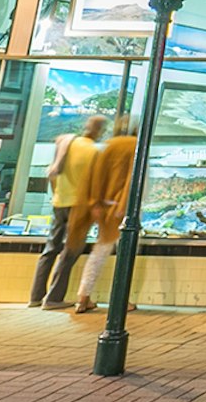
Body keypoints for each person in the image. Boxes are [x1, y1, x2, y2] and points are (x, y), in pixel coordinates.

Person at [30, 114, 106, 308]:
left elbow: (52, 174)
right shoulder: (94, 152)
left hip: (59, 203)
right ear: (100, 131)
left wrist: (56, 195)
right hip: (79, 207)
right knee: (70, 251)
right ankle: (54, 298)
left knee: (51, 248)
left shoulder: (68, 143)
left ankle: (36, 296)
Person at [67, 113, 138, 314]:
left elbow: (94, 176)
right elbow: (134, 179)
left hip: (104, 206)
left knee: (99, 253)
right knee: (125, 256)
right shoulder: (134, 146)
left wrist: (94, 203)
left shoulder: (107, 145)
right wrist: (125, 206)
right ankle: (120, 300)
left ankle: (83, 297)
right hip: (123, 209)